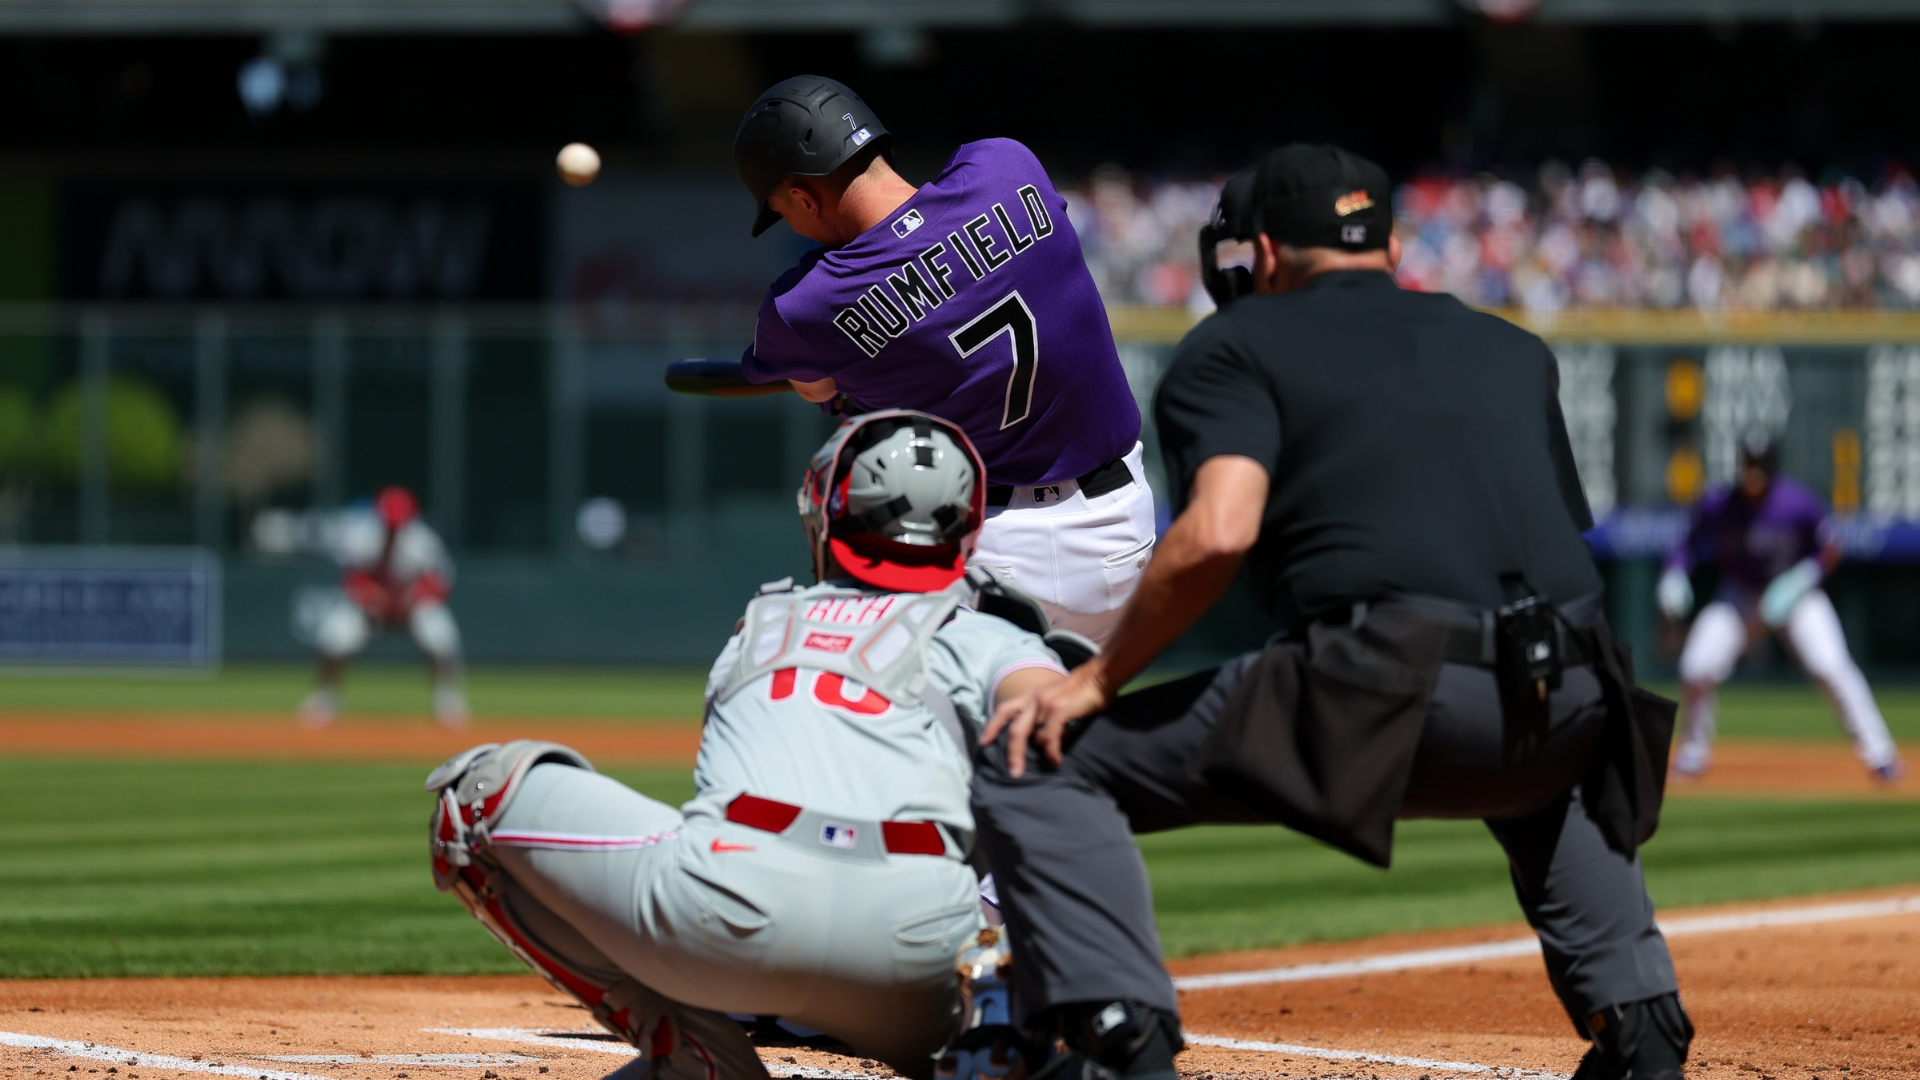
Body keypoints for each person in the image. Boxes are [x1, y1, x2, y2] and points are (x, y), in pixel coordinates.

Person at [972, 145, 1692, 1080]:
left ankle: (1122, 1044)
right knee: (1551, 761)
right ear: (1390, 245)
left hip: (1387, 696)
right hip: (1580, 705)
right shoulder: (1515, 349)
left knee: (1033, 762)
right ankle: (1644, 1027)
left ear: (1262, 254)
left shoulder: (1234, 346)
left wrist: (1099, 679)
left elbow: (1220, 532)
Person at [425, 410, 1069, 1080]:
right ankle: (994, 1045)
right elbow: (1062, 750)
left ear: (825, 517)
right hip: (919, 957)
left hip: (730, 919)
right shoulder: (996, 641)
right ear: (967, 530)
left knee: (476, 797)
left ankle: (697, 1057)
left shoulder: (759, 626)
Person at [731, 75, 1155, 644]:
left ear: (805, 198)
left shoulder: (805, 305)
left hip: (986, 553)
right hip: (1122, 535)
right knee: (1080, 724)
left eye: (786, 209)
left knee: (960, 729)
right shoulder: (1007, 167)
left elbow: (815, 386)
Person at [1658, 431, 1904, 781]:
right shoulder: (1721, 503)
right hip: (1741, 594)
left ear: (1772, 466)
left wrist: (1802, 579)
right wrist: (1674, 574)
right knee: (1697, 667)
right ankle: (1694, 752)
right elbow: (1687, 542)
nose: (1752, 472)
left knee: (1832, 667)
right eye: (1747, 463)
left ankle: (1881, 755)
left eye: (1759, 464)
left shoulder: (1796, 502)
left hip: (1796, 597)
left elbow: (1830, 547)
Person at [300, 485, 467, 728]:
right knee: (334, 634)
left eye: (398, 521)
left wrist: (413, 597)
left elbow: (442, 580)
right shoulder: (360, 535)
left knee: (442, 635)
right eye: (389, 520)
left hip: (411, 609)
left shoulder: (422, 539)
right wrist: (370, 597)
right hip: (371, 611)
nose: (393, 526)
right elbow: (350, 577)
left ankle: (447, 701)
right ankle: (326, 699)